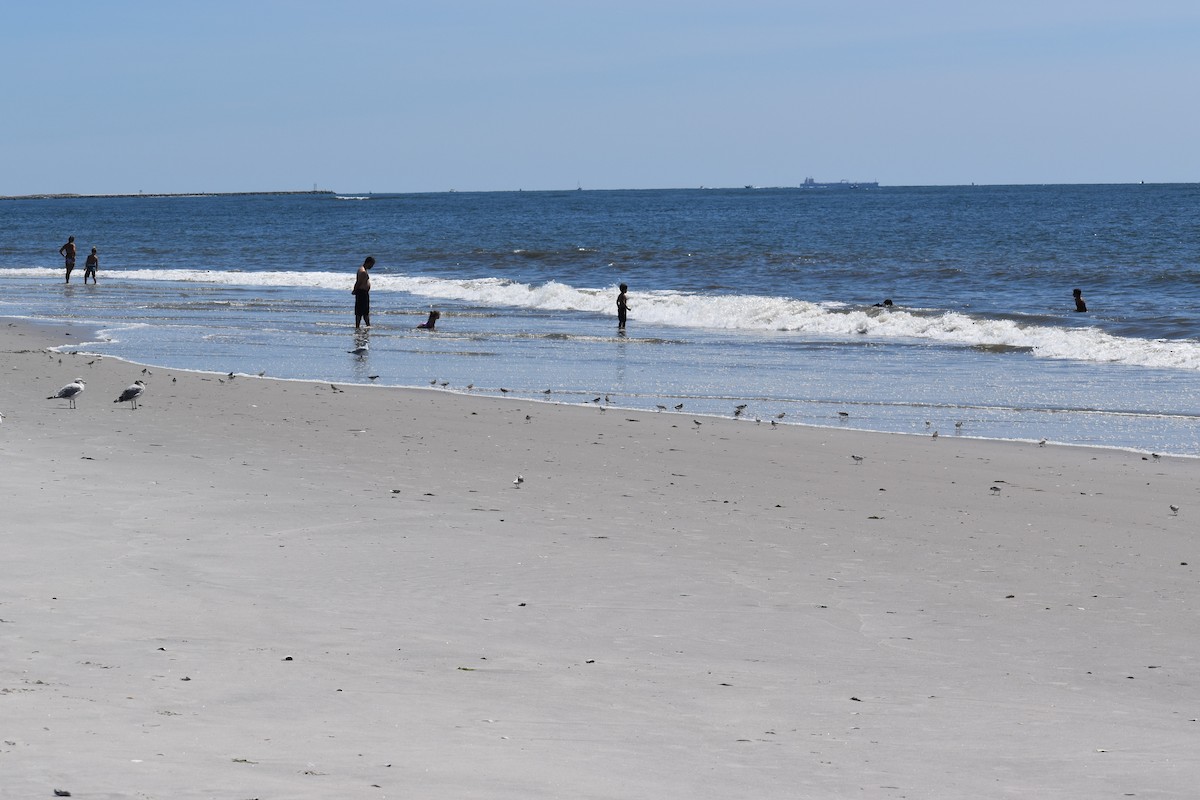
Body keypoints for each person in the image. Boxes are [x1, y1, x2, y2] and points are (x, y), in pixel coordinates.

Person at [352, 256, 375, 328]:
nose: (372, 266)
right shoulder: (363, 272)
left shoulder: (362, 270)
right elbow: (358, 282)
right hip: (362, 293)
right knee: (360, 311)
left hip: (363, 293)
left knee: (365, 311)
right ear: (368, 263)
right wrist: (355, 290)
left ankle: (367, 325)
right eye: (372, 264)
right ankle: (358, 326)